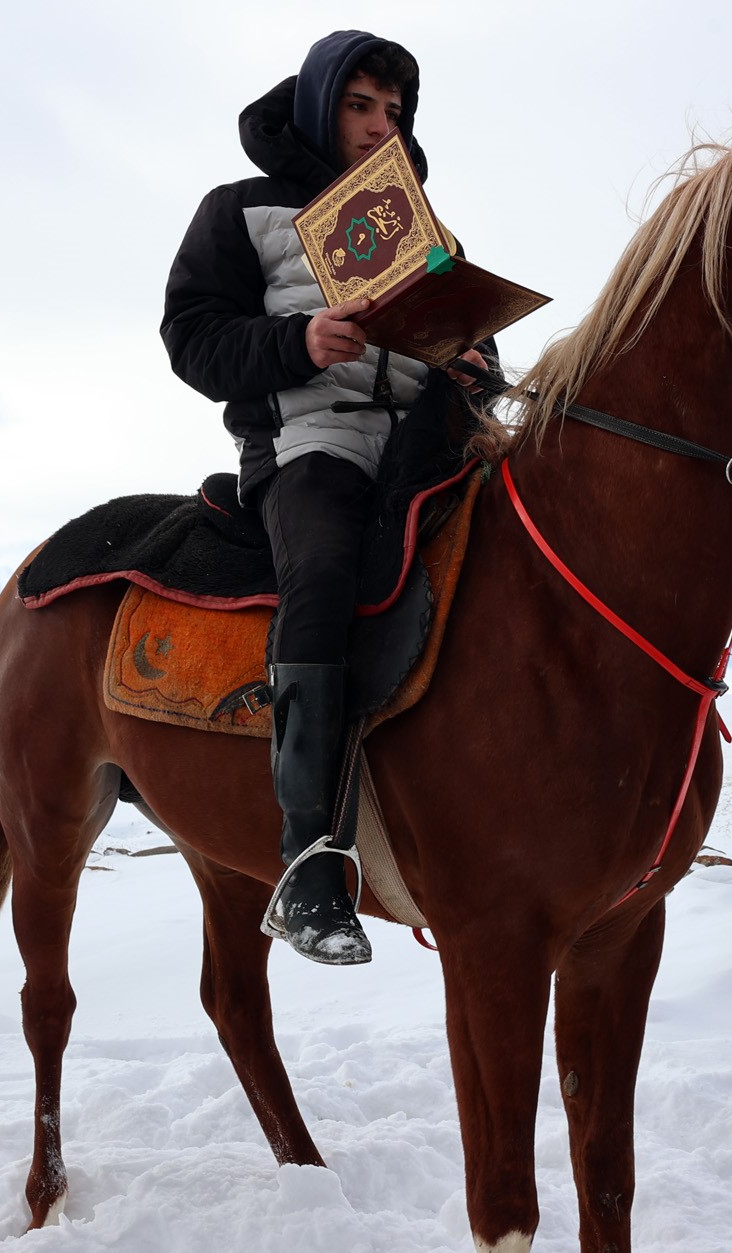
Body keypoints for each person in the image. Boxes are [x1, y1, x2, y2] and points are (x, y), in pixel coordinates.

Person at [161, 31, 483, 966]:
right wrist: (299, 343)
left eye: (393, 111)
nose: (380, 125)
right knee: (327, 571)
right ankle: (309, 860)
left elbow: (472, 349)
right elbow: (192, 338)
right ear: (317, 106)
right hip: (310, 442)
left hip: (428, 445)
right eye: (360, 106)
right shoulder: (240, 211)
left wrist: (472, 362)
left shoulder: (429, 230)